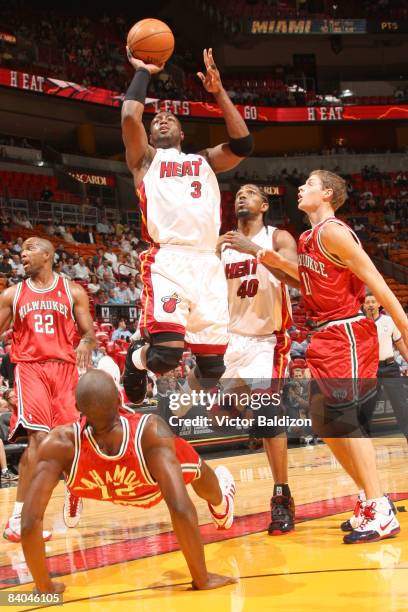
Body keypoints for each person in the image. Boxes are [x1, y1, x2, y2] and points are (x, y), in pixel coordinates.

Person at [258, 169, 408, 543]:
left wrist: (406, 329)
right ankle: (371, 499)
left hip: (347, 332)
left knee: (343, 418)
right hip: (322, 334)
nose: (300, 189)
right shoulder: (309, 237)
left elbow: (377, 281)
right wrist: (267, 259)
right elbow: (305, 282)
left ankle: (379, 507)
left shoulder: (334, 232)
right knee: (325, 421)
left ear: (326, 193)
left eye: (307, 184)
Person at [20, 369, 237, 594]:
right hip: (147, 485)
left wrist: (44, 587)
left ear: (77, 407)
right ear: (119, 399)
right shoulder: (149, 430)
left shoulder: (59, 443)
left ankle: (73, 491)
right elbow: (180, 508)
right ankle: (222, 506)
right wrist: (202, 579)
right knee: (198, 467)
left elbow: (29, 522)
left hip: (93, 482)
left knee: (69, 466)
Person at [121, 48, 253, 404]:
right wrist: (143, 72)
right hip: (169, 261)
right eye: (157, 120)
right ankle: (137, 356)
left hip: (208, 265)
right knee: (163, 358)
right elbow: (130, 117)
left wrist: (218, 93)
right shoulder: (145, 160)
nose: (161, 120)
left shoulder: (204, 160)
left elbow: (243, 143)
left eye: (169, 119)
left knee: (212, 371)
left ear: (182, 132)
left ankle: (179, 406)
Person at [0, 237, 96, 542]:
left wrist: (85, 342)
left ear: (47, 255)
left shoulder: (73, 291)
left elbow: (90, 333)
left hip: (65, 371)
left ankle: (74, 486)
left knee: (68, 442)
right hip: (31, 369)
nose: (22, 253)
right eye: (21, 250)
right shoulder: (12, 295)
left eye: (29, 248)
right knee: (39, 442)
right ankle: (19, 518)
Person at [217, 184, 298, 535]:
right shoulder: (220, 244)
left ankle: (281, 496)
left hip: (267, 339)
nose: (241, 196)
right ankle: (248, 413)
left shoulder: (277, 237)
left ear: (264, 205)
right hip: (230, 340)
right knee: (217, 420)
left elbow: (296, 275)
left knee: (268, 412)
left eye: (250, 193)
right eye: (238, 193)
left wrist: (256, 251)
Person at [361, 293, 408, 439]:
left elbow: (400, 343)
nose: (370, 304)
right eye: (367, 302)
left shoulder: (389, 321)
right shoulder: (359, 324)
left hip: (390, 368)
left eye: (373, 302)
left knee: (400, 405)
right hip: (370, 370)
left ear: (379, 305)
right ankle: (363, 439)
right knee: (366, 406)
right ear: (363, 306)